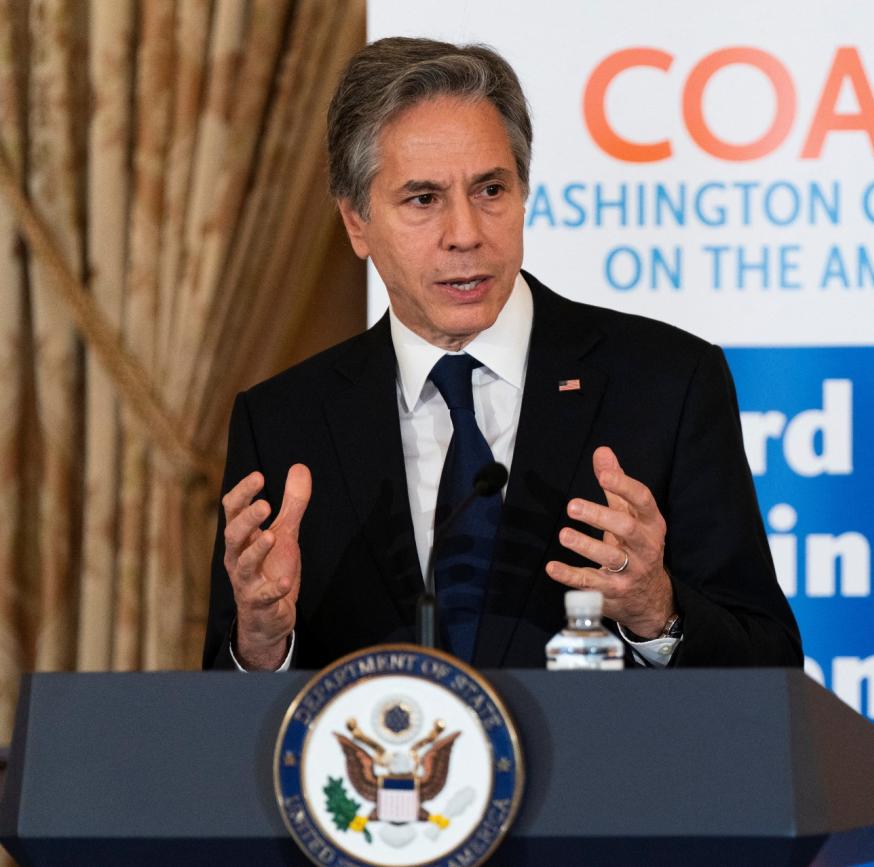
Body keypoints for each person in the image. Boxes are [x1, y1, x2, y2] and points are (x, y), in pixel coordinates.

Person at [202, 38, 800, 671]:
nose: (466, 234)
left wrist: (657, 610)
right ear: (356, 221)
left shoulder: (665, 384)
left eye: (491, 190)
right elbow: (224, 714)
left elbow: (772, 669)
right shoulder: (284, 423)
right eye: (423, 199)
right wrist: (263, 641)